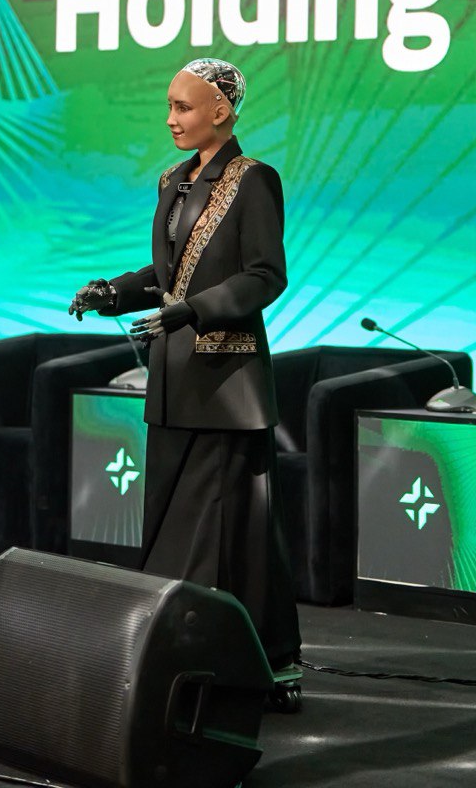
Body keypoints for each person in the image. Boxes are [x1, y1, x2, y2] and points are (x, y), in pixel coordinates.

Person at [69, 58, 301, 708]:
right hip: (173, 381)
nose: (171, 119)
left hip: (226, 384)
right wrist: (113, 292)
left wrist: (192, 311)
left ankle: (250, 662)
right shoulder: (172, 180)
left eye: (184, 107)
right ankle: (174, 655)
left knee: (227, 537)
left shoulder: (254, 179)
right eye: (169, 106)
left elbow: (264, 275)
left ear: (221, 111)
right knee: (170, 526)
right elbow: (166, 272)